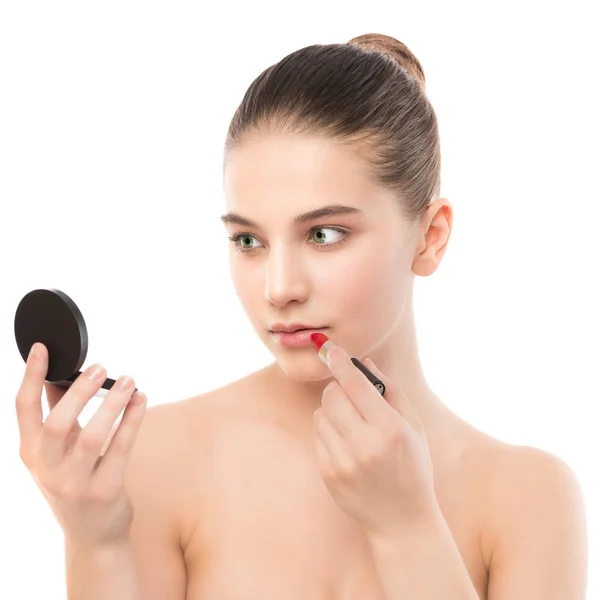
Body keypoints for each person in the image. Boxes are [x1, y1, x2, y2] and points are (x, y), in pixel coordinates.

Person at [15, 33, 588, 600]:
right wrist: (96, 542)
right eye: (248, 240)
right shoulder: (158, 459)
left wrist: (407, 527)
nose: (279, 288)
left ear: (430, 238)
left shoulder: (529, 500)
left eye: (325, 234)